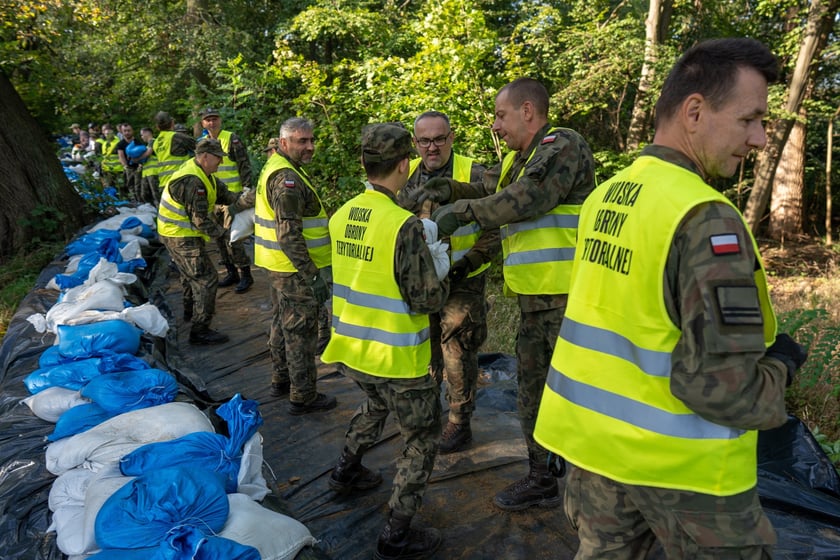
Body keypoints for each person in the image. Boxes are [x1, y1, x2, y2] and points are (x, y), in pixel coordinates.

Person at [532, 38, 809, 559]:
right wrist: (784, 365)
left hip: (593, 457)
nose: (762, 138)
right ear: (696, 111)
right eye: (751, 119)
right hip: (687, 477)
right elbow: (724, 393)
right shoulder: (706, 217)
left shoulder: (607, 194)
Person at [410, 78, 596, 511]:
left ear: (528, 111)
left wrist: (461, 211)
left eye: (501, 115)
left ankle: (597, 488)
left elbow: (522, 199)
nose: (495, 126)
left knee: (578, 397)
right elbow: (492, 188)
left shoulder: (561, 145)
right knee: (531, 394)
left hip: (570, 303)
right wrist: (452, 190)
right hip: (536, 302)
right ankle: (541, 477)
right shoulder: (521, 158)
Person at [323, 123, 449, 560]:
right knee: (422, 437)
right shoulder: (403, 226)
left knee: (375, 405)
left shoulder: (342, 214)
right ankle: (396, 532)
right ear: (404, 164)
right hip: (399, 357)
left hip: (354, 349)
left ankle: (345, 470)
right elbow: (426, 297)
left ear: (364, 164)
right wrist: (442, 265)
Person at [396, 110, 498, 454]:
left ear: (451, 137)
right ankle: (427, 411)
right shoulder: (405, 174)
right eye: (424, 141)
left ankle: (459, 420)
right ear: (415, 143)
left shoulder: (475, 173)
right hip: (421, 281)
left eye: (439, 138)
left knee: (457, 348)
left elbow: (495, 228)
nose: (432, 147)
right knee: (425, 347)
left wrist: (470, 262)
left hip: (463, 278)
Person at [253, 117, 336, 415]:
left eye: (311, 140)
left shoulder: (278, 167)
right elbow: (289, 234)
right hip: (295, 270)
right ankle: (303, 395)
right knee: (300, 332)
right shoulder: (286, 179)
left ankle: (281, 378)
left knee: (281, 322)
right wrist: (312, 275)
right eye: (302, 141)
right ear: (284, 143)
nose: (310, 146)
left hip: (280, 267)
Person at [156, 137, 251, 345]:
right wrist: (228, 235)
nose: (221, 162)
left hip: (180, 232)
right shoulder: (193, 181)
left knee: (190, 274)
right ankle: (199, 330)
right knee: (206, 279)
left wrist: (250, 199)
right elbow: (201, 221)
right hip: (179, 235)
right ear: (205, 157)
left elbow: (226, 196)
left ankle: (190, 311)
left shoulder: (205, 174)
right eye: (218, 158)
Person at [199, 107, 255, 294]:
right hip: (213, 198)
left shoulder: (231, 138)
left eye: (215, 119)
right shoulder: (202, 143)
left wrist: (246, 189)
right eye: (208, 120)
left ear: (220, 120)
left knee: (233, 237)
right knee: (219, 237)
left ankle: (245, 273)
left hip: (232, 197)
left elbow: (244, 164)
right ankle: (231, 272)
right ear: (203, 123)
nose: (212, 123)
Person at [153, 111, 194, 190]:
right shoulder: (177, 137)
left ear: (157, 127)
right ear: (172, 123)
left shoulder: (156, 142)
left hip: (163, 183)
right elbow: (200, 146)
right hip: (179, 182)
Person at [116, 124, 143, 202]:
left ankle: (141, 200)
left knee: (139, 185)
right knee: (129, 185)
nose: (127, 133)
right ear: (122, 132)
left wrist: (140, 165)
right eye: (125, 131)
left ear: (132, 131)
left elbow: (142, 154)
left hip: (138, 167)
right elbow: (121, 156)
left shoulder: (138, 142)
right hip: (128, 168)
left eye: (128, 130)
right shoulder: (121, 144)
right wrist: (125, 166)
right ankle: (133, 199)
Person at [95, 123, 123, 191]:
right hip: (107, 170)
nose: (107, 134)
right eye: (105, 132)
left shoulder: (118, 141)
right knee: (110, 189)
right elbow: (99, 157)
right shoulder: (101, 142)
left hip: (118, 169)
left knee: (120, 188)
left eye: (109, 132)